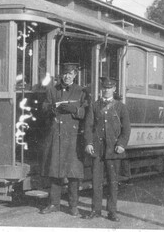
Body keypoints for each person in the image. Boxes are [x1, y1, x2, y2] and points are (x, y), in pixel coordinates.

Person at [40, 63, 88, 216]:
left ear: (75, 75)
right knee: (55, 171)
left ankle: (73, 206)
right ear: (61, 75)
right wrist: (52, 108)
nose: (67, 76)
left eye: (71, 74)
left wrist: (74, 110)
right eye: (65, 73)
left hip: (73, 138)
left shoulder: (81, 92)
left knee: (73, 173)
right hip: (56, 136)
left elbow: (87, 113)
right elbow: (44, 108)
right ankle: (54, 204)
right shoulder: (52, 90)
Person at [84, 77, 131, 222]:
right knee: (96, 182)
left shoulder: (120, 107)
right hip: (97, 151)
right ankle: (95, 210)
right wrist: (89, 143)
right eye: (104, 88)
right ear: (101, 89)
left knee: (112, 182)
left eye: (109, 88)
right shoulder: (95, 106)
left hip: (113, 151)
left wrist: (121, 144)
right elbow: (88, 126)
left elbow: (126, 129)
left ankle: (112, 212)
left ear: (114, 89)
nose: (106, 90)